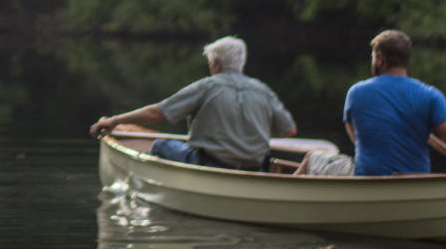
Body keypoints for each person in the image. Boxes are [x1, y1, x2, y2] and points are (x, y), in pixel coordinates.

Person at [90, 36, 296, 171]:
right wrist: (251, 134)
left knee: (162, 145)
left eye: (210, 63)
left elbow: (157, 113)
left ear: (216, 63)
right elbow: (290, 130)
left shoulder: (207, 86)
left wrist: (114, 120)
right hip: (255, 168)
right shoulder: (263, 90)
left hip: (211, 165)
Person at [343, 29, 446, 175]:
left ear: (380, 58)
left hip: (368, 183)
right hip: (415, 184)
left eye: (373, 57)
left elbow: (353, 131)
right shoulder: (430, 95)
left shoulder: (355, 93)